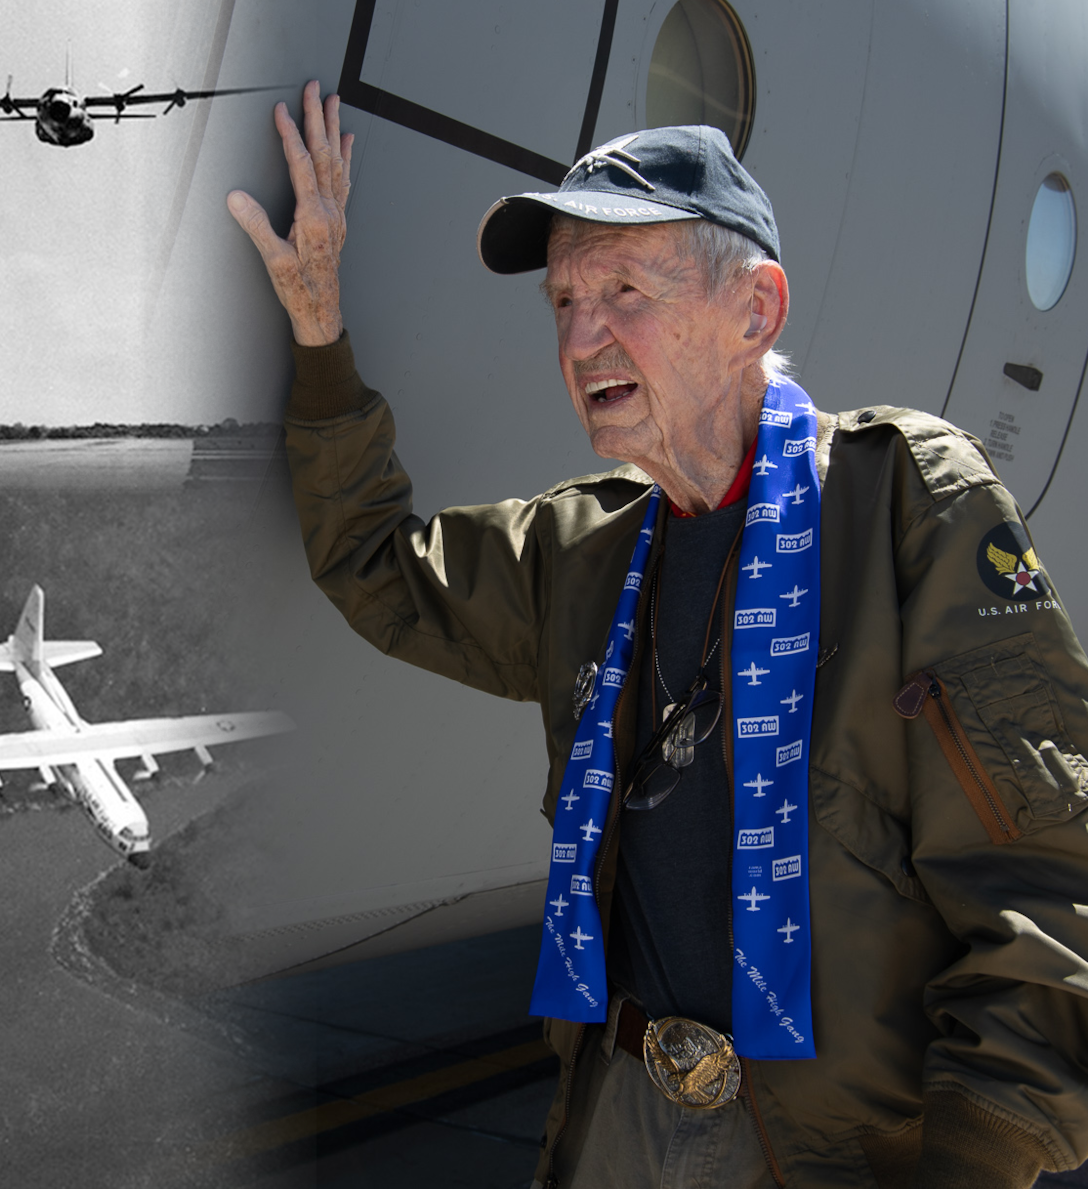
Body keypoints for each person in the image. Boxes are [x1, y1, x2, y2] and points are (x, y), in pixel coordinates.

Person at [228, 82, 1088, 1189]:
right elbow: (379, 568)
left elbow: (1046, 871)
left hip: (830, 1148)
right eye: (562, 303)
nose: (583, 338)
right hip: (619, 1117)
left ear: (754, 311)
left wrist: (980, 1156)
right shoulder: (584, 549)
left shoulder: (898, 504)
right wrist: (317, 333)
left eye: (624, 290)